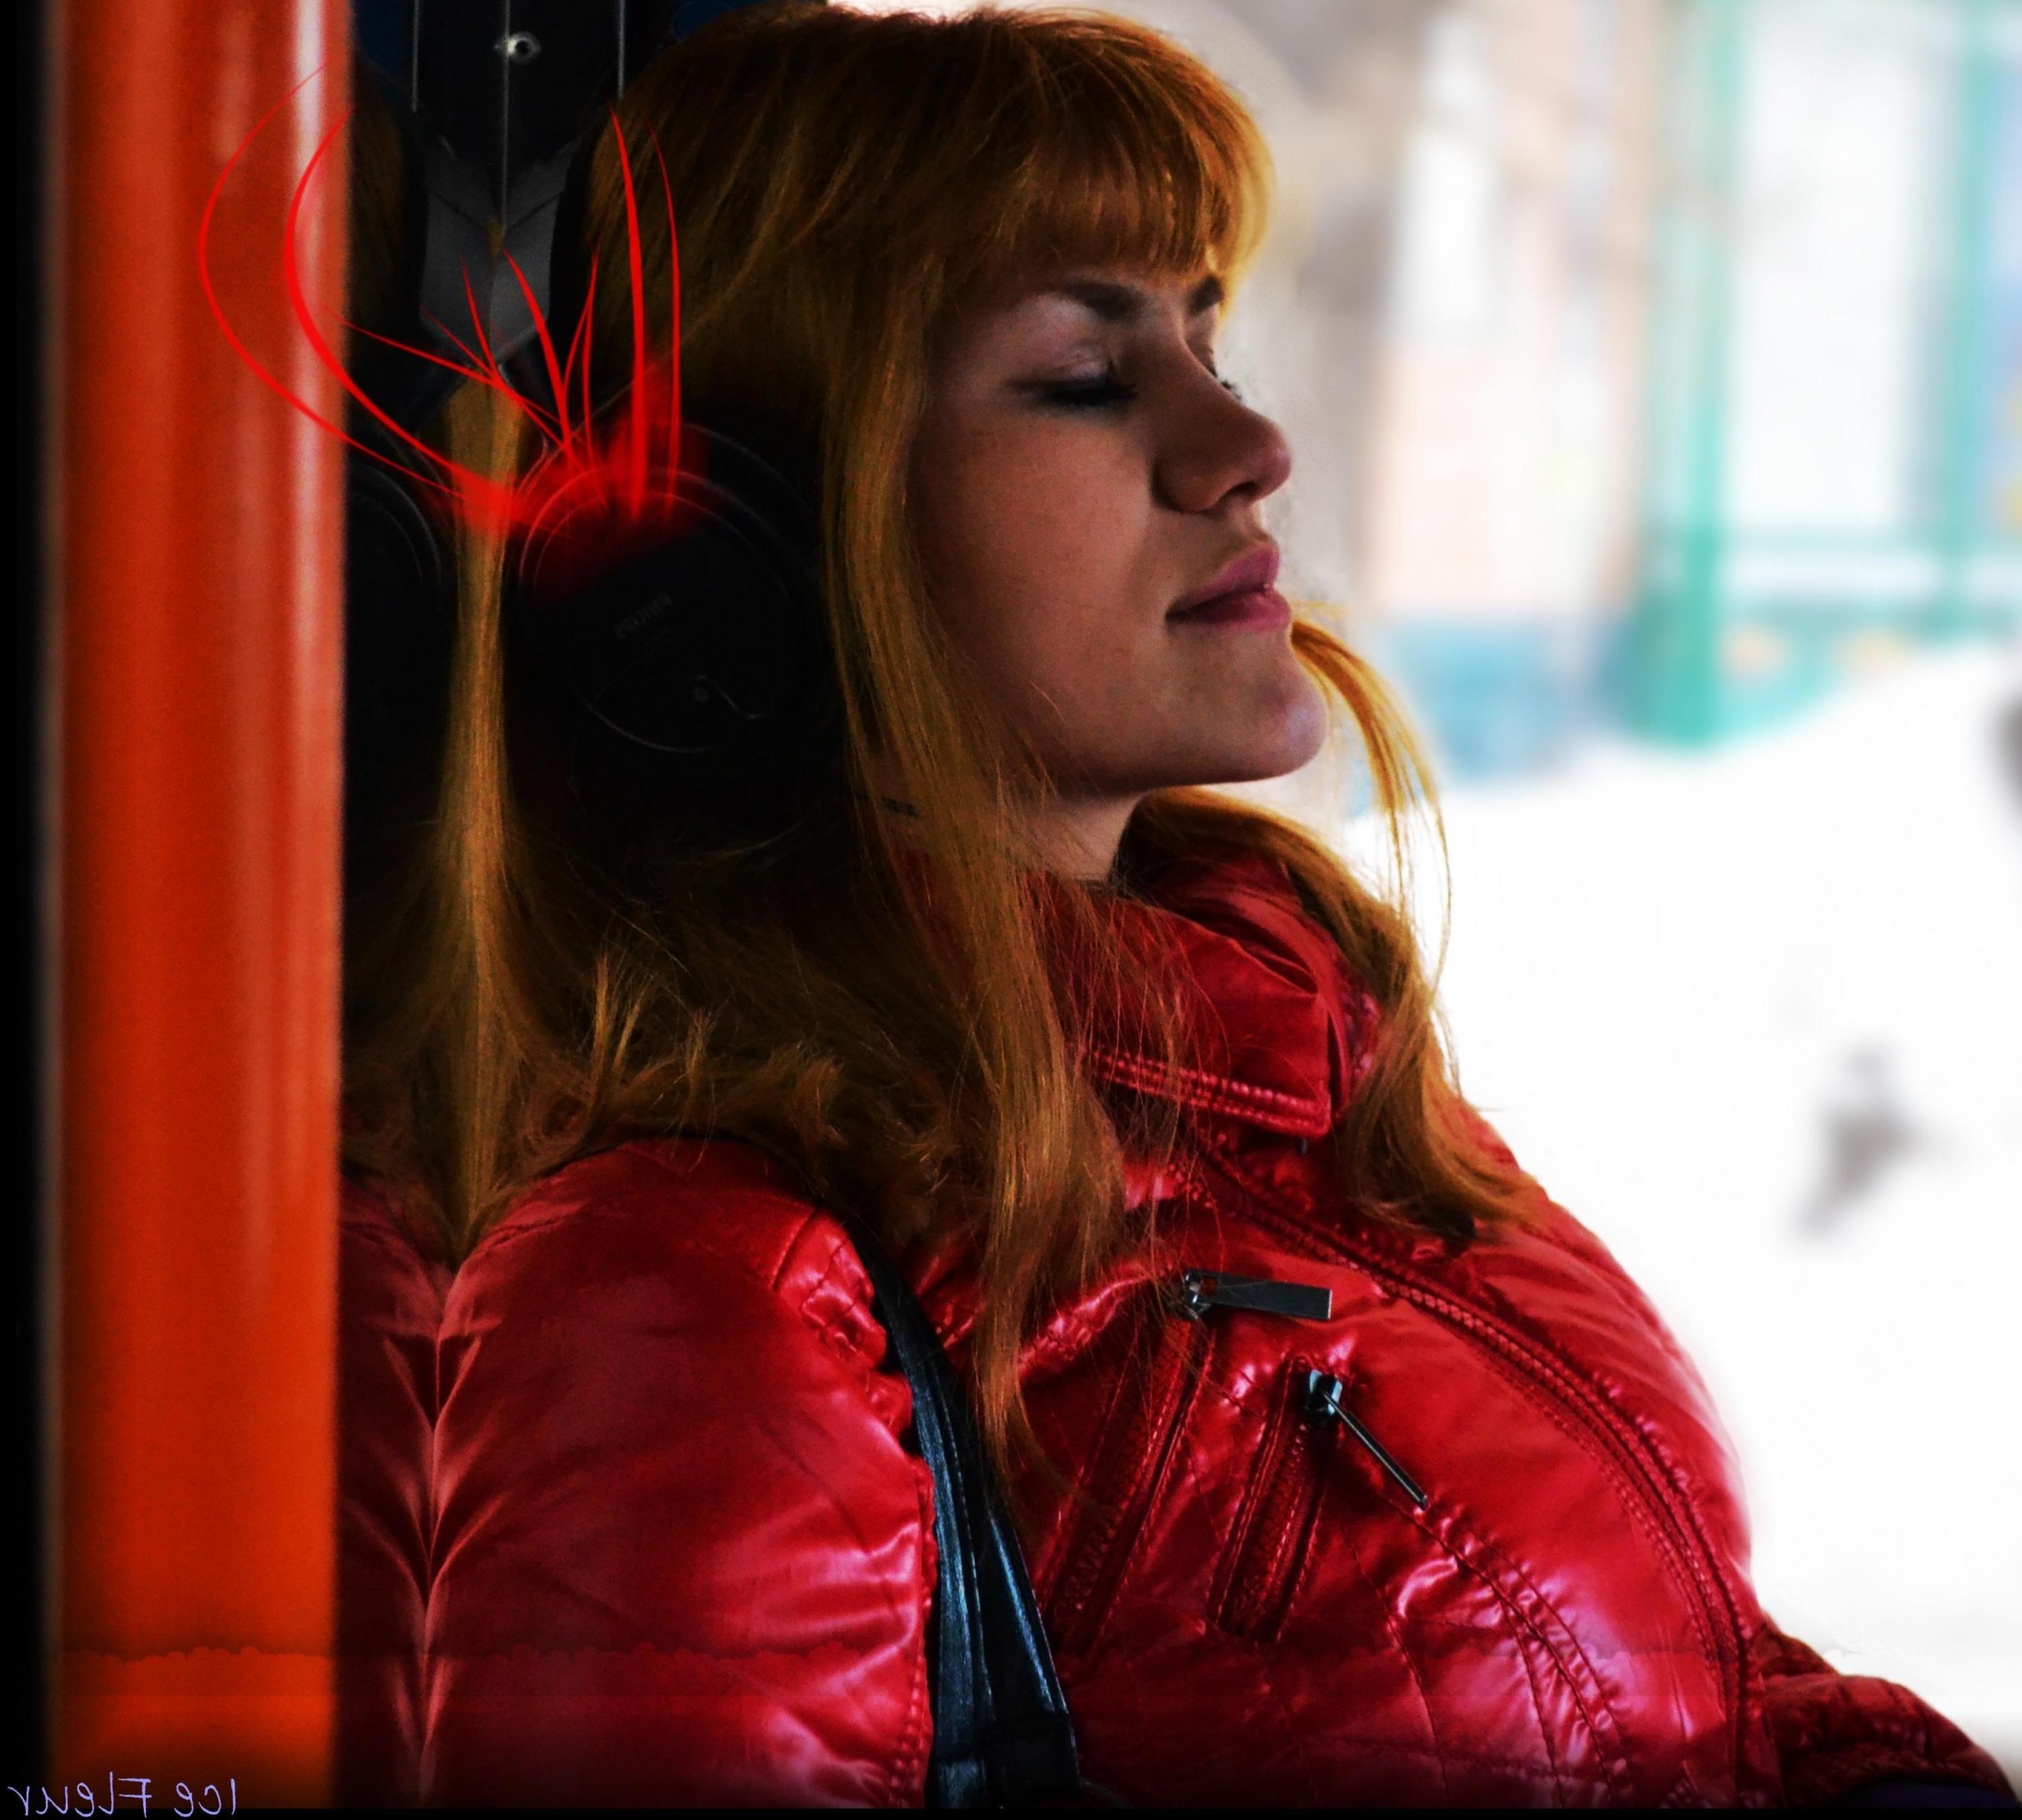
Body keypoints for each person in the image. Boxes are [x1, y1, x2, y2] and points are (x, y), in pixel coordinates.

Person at [334, 3, 2015, 1806]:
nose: (1248, 440)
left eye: (1206, 337)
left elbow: (1680, 1662)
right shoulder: (701, 1292)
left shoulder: (1304, 1054)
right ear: (734, 551)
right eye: (1084, 373)